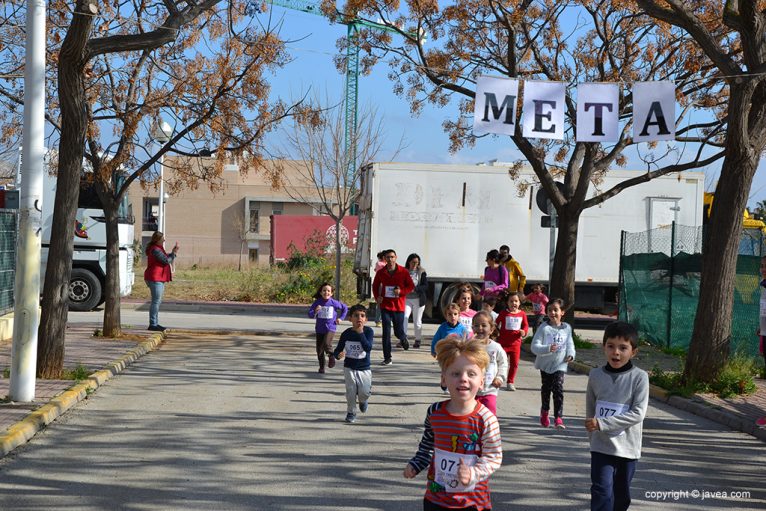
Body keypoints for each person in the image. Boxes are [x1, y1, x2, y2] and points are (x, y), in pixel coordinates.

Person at [403, 336, 502, 511]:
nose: (463, 379)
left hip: (472, 502)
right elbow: (427, 445)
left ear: (481, 381)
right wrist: (416, 464)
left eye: (471, 374)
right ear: (443, 379)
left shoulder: (486, 418)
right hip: (436, 499)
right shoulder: (435, 412)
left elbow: (493, 457)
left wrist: (473, 473)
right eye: (455, 374)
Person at [585, 321, 649, 511]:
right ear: (604, 347)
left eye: (623, 348)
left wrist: (602, 424)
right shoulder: (595, 375)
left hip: (627, 449)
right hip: (601, 447)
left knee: (621, 495)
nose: (616, 352)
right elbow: (591, 410)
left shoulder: (639, 377)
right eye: (611, 346)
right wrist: (594, 438)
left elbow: (638, 413)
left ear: (633, 352)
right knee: (601, 491)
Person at [530, 298, 575, 429]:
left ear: (562, 312)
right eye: (549, 310)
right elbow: (534, 347)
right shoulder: (544, 328)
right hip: (545, 365)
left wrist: (571, 355)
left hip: (560, 364)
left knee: (558, 388)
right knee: (546, 389)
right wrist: (547, 348)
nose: (552, 313)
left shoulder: (567, 328)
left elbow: (570, 344)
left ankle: (558, 418)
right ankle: (544, 412)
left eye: (555, 310)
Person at [372, 249, 414, 365]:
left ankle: (403, 338)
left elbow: (410, 286)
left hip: (398, 306)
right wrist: (377, 298)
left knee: (397, 331)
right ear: (384, 259)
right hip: (385, 305)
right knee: (386, 332)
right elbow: (375, 286)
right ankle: (387, 357)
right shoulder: (381, 272)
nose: (390, 259)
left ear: (396, 257)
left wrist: (401, 292)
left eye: (392, 257)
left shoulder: (403, 271)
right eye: (387, 257)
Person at [333, 304, 374, 424]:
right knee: (350, 391)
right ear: (350, 318)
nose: (359, 318)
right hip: (349, 367)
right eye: (356, 316)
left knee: (364, 393)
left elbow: (368, 348)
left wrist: (360, 333)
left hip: (364, 368)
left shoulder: (368, 332)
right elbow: (338, 349)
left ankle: (363, 401)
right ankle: (351, 412)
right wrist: (337, 355)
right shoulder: (346, 334)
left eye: (362, 316)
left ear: (366, 319)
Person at [307, 282, 348, 374]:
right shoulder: (317, 302)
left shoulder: (334, 302)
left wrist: (341, 318)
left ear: (331, 293)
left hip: (331, 327)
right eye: (324, 291)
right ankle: (322, 367)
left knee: (326, 343)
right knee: (319, 350)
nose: (326, 292)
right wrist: (315, 311)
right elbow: (310, 314)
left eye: (328, 291)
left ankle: (331, 356)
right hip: (319, 328)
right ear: (321, 292)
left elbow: (345, 308)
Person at [473, 311, 508, 416]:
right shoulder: (470, 346)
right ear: (472, 328)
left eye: (484, 325)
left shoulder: (496, 347)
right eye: (476, 325)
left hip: (490, 389)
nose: (480, 328)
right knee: (472, 416)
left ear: (491, 329)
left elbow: (503, 364)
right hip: (472, 390)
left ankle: (490, 432)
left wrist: (500, 378)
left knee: (490, 415)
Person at [144, 231, 178, 331]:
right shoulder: (155, 250)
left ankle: (155, 323)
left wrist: (172, 253)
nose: (164, 240)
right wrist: (174, 254)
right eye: (162, 238)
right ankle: (153, 324)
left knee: (157, 301)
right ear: (157, 239)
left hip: (158, 277)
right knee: (156, 301)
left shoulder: (158, 249)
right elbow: (166, 260)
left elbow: (165, 257)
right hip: (155, 277)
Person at [495, 292, 529, 391]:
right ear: (507, 303)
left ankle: (510, 382)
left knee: (514, 364)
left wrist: (524, 332)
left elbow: (525, 326)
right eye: (511, 301)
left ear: (519, 303)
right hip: (503, 343)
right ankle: (497, 379)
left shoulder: (522, 314)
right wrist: (495, 333)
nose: (513, 303)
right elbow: (496, 324)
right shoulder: (503, 313)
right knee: (501, 362)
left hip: (516, 344)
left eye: (516, 301)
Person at [404, 253, 428, 349]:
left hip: (418, 299)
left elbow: (425, 286)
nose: (415, 264)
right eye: (413, 262)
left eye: (417, 263)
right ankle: (403, 339)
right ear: (409, 262)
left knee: (417, 321)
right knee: (405, 318)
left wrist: (416, 289)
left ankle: (417, 339)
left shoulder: (422, 272)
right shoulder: (404, 272)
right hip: (407, 299)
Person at [373, 251, 386, 327]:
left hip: (387, 284)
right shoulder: (380, 263)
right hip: (381, 283)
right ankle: (378, 320)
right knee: (380, 302)